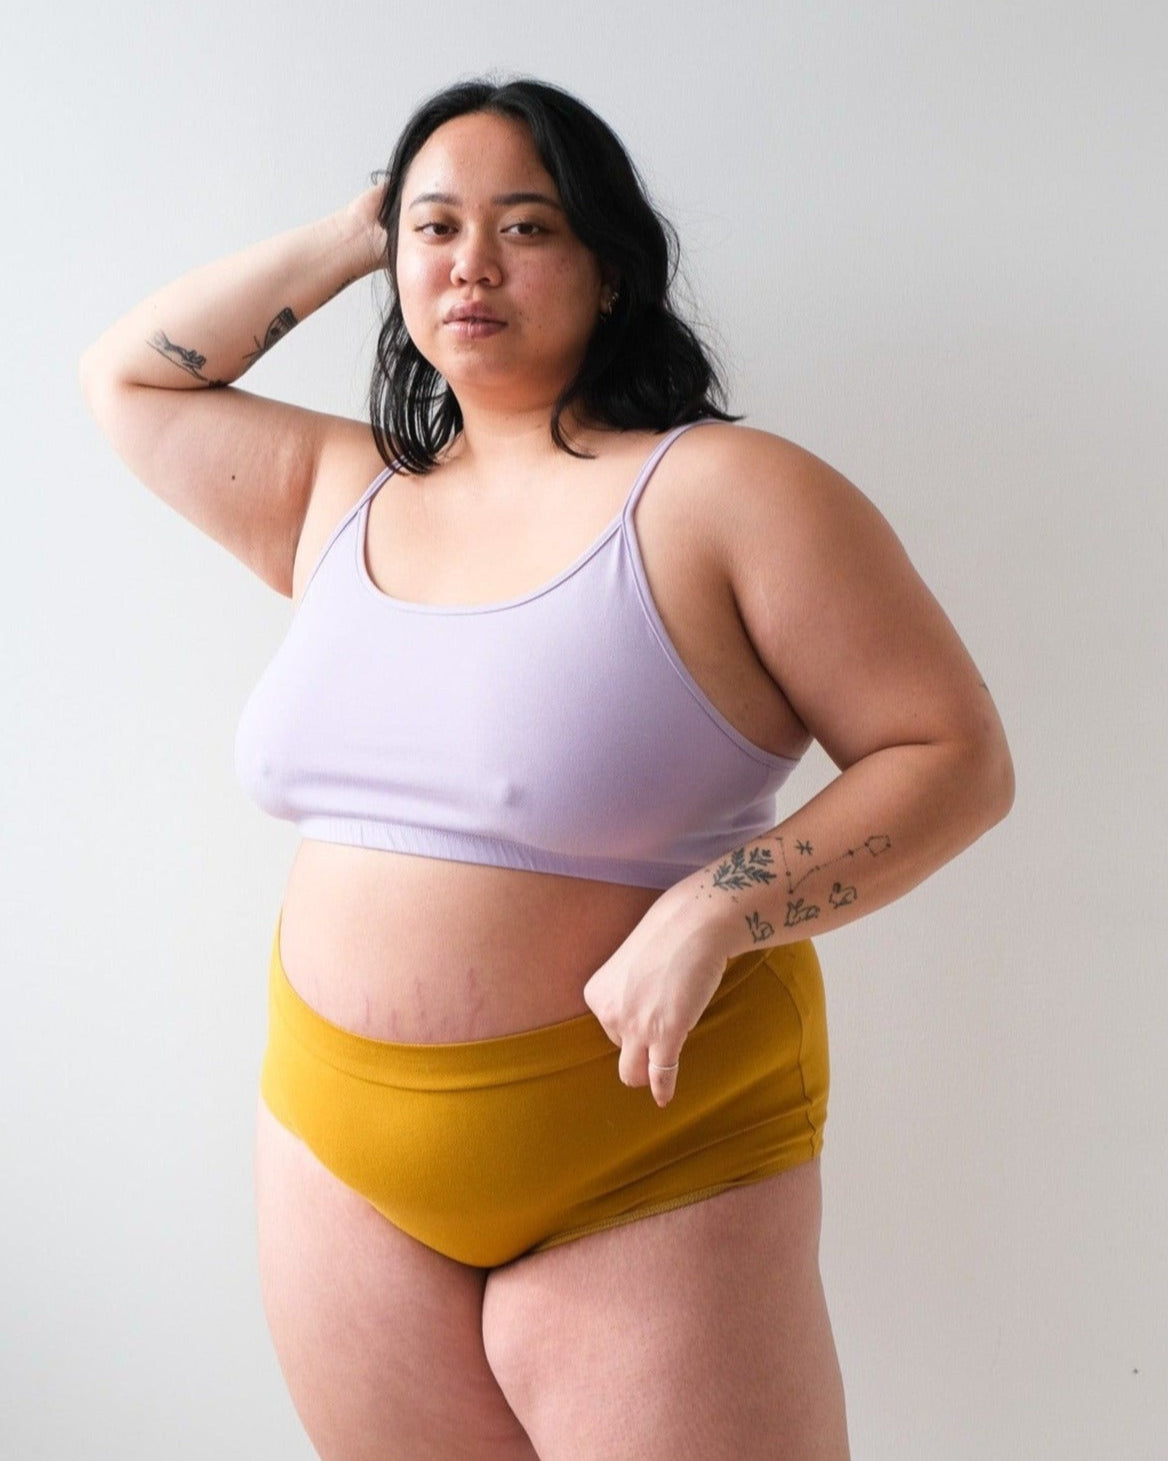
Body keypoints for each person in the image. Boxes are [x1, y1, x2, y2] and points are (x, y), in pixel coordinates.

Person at [79, 75, 1013, 1461]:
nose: (472, 263)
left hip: (649, 1146)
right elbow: (133, 378)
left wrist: (717, 907)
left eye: (526, 227)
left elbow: (952, 756)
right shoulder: (339, 491)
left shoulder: (726, 493)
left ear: (611, 268)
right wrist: (360, 229)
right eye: (437, 229)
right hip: (338, 1151)